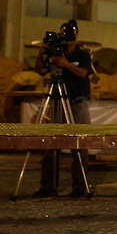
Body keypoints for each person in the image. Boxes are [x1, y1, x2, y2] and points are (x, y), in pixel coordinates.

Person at [33, 19, 92, 198]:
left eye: (71, 33)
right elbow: (40, 70)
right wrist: (42, 52)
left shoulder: (83, 55)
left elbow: (83, 73)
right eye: (64, 33)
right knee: (51, 144)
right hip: (58, 103)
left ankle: (80, 187)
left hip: (77, 103)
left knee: (79, 145)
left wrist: (66, 64)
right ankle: (47, 186)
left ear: (77, 34)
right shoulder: (54, 52)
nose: (67, 37)